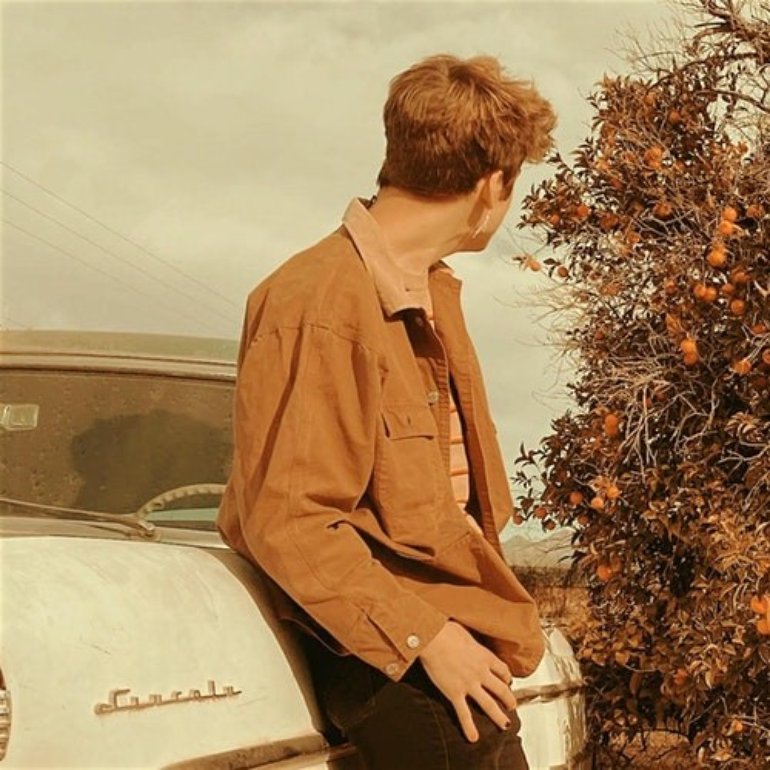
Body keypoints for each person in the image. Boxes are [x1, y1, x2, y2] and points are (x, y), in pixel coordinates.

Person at [217, 53, 557, 770]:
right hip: (395, 660)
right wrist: (428, 639)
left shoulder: (430, 293)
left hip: (450, 645)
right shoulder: (317, 302)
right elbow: (289, 518)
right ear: (492, 185)